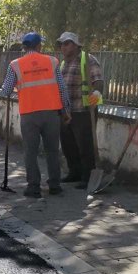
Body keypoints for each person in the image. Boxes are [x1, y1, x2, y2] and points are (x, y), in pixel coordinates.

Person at [0, 32, 72, 198]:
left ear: (24, 47)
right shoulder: (52, 61)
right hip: (51, 114)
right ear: (39, 46)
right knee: (52, 150)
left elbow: (6, 90)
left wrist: (5, 87)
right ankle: (55, 185)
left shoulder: (15, 65)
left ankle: (33, 187)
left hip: (29, 115)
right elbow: (62, 88)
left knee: (30, 152)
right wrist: (66, 110)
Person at [56, 32, 105, 189]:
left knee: (85, 145)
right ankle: (74, 172)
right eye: (62, 44)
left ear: (76, 45)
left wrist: (97, 93)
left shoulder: (88, 59)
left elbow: (98, 80)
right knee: (68, 145)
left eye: (67, 43)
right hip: (67, 111)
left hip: (84, 110)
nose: (63, 47)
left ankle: (87, 176)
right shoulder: (63, 64)